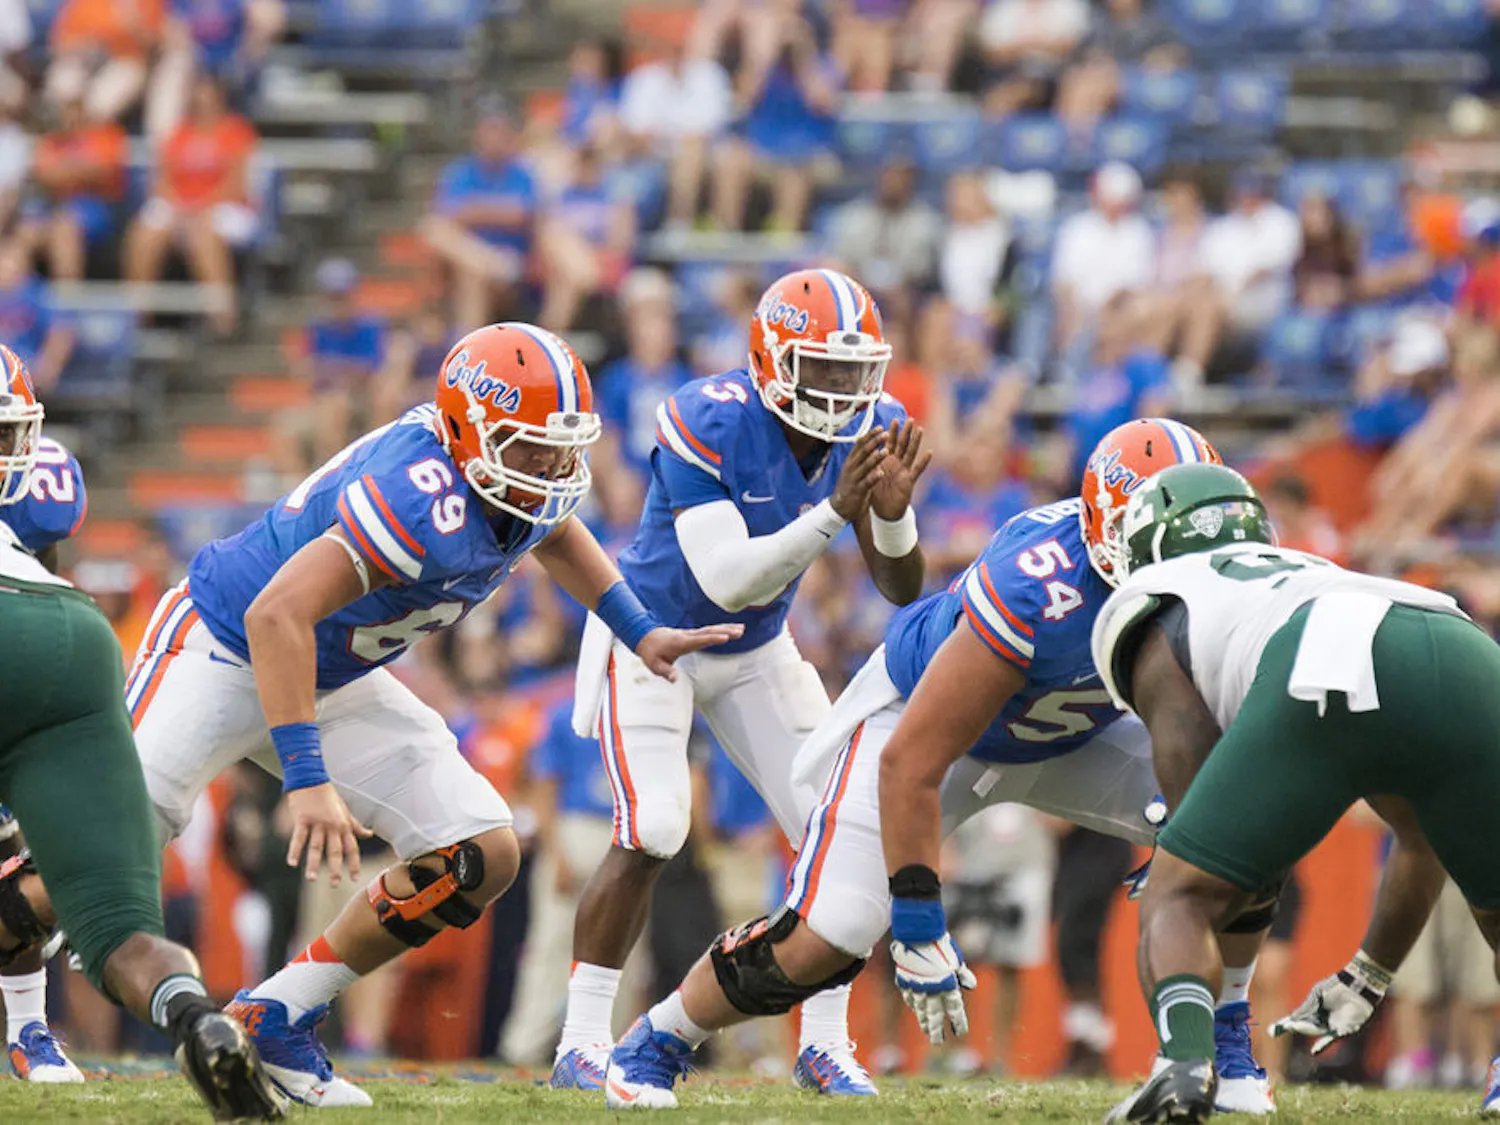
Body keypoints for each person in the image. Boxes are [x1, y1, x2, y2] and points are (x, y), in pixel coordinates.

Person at [122, 322, 738, 1107]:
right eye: (529, 447)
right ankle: (24, 1022)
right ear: (465, 431)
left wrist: (638, 626)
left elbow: (555, 532)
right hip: (224, 643)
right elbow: (276, 616)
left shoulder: (509, 478)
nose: (551, 466)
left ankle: (277, 1011)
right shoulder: (421, 493)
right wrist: (307, 780)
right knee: (103, 846)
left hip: (335, 670)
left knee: (480, 848)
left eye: (560, 446)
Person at [601, 419, 1272, 1116]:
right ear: (1111, 537)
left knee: (1244, 827)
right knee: (828, 934)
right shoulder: (1040, 585)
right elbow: (911, 761)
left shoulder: (1219, 574)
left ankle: (1225, 1043)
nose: (1189, 567)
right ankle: (657, 1039)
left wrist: (1193, 827)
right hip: (932, 730)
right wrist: (918, 923)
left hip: (1074, 734)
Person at [555, 269, 927, 1097]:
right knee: (653, 826)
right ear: (771, 360)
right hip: (653, 636)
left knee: (844, 837)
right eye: (822, 368)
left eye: (854, 369)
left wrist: (890, 512)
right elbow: (725, 577)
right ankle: (582, 1038)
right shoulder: (707, 414)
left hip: (757, 647)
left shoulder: (875, 425)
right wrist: (834, 510)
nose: (842, 390)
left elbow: (900, 586)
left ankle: (823, 1044)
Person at [1087, 462, 1500, 1121]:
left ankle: (1185, 1070)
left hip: (1327, 651)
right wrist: (1370, 972)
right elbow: (1423, 838)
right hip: (1461, 640)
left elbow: (1192, 784)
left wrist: (1195, 859)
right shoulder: (1307, 563)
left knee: (1178, 892)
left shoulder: (1159, 594)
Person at [0, 345, 284, 1120]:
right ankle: (198, 1019)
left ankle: (29, 1025)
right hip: (67, 638)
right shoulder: (39, 477)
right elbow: (42, 574)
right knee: (118, 926)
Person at [0, 364, 86, 1081]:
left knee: (21, 845)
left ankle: (28, 1026)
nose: (10, 452)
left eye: (10, 432)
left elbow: (47, 585)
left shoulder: (37, 494)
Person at [123, 73, 259, 336]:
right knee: (146, 230)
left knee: (204, 233)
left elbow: (237, 185)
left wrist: (199, 207)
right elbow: (161, 181)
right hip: (181, 206)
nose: (200, 100)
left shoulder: (237, 132)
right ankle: (139, 313)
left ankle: (222, 315)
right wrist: (180, 207)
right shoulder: (180, 133)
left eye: (206, 94)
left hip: (228, 207)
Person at [422, 100, 536, 332]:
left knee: (470, 268)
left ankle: (467, 350)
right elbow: (445, 217)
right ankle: (469, 344)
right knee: (438, 234)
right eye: (487, 130)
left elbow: (521, 214)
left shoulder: (523, 173)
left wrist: (472, 210)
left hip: (511, 265)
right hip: (472, 263)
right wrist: (496, 212)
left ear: (510, 135)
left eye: (498, 130)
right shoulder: (460, 172)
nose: (492, 137)